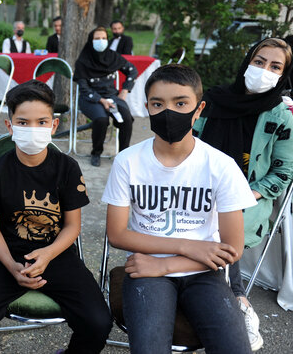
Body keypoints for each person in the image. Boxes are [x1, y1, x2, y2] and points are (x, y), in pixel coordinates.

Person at [102, 64, 257, 354]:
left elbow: (232, 248)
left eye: (180, 103)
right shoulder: (128, 161)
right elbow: (118, 234)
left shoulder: (220, 166)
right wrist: (188, 245)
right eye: (157, 104)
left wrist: (166, 264)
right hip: (146, 270)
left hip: (202, 271)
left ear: (198, 110)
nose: (168, 112)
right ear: (147, 107)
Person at [0, 80, 112, 353]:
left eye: (42, 122)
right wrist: (11, 266)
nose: (33, 129)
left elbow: (72, 226)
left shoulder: (67, 168)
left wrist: (47, 255)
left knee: (99, 321)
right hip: (6, 258)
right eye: (23, 122)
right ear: (10, 127)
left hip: (56, 255)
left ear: (54, 125)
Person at [193, 38, 293, 351]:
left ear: (283, 75)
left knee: (222, 223)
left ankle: (236, 303)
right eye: (259, 61)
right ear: (247, 63)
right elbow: (186, 145)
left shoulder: (279, 117)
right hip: (197, 189)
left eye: (274, 66)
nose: (264, 70)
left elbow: (283, 172)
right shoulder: (211, 101)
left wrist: (244, 193)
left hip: (245, 200)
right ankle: (233, 302)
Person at [74, 26, 138, 167]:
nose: (101, 41)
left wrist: (125, 90)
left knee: (126, 118)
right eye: (97, 38)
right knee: (101, 119)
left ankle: (123, 155)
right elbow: (83, 88)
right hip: (90, 98)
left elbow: (132, 70)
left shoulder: (112, 56)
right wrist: (101, 100)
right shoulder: (83, 61)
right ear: (91, 41)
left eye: (103, 38)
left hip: (112, 96)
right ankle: (96, 152)